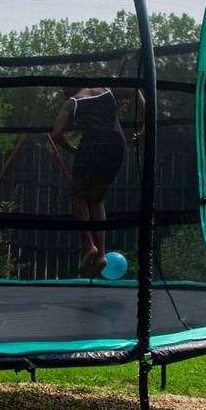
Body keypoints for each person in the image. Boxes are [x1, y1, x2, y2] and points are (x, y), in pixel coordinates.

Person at [49, 86, 143, 277]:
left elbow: (57, 134)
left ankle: (89, 246)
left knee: (78, 197)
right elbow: (136, 92)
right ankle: (101, 254)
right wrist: (145, 125)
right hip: (116, 145)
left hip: (91, 147)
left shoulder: (71, 102)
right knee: (97, 200)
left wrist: (73, 149)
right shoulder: (106, 89)